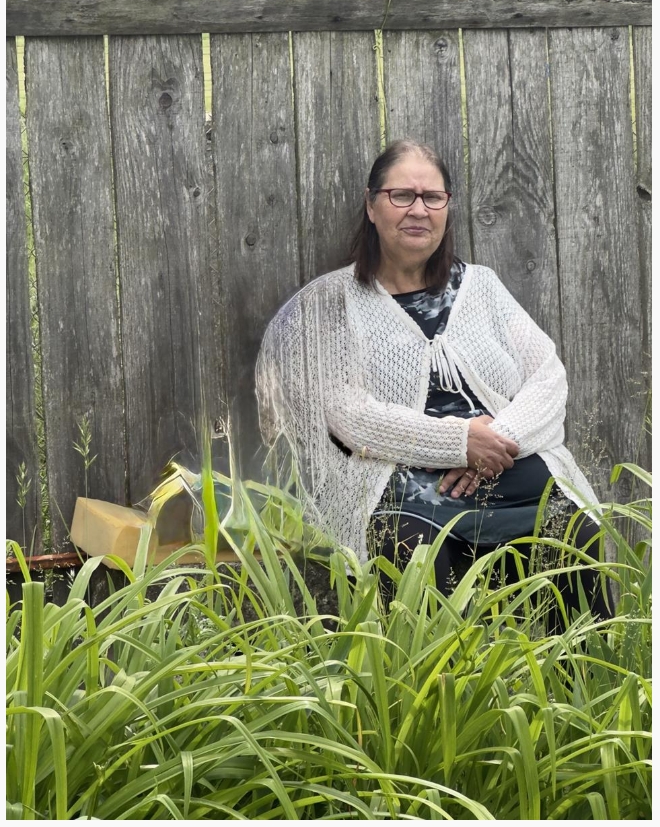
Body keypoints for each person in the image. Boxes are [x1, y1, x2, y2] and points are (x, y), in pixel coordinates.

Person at [256, 139, 610, 627]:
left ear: (447, 207)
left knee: (577, 532)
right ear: (371, 206)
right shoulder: (331, 302)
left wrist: (496, 440)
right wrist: (460, 443)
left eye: (433, 197)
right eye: (402, 195)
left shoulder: (482, 287)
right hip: (404, 491)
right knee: (413, 553)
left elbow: (548, 374)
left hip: (513, 470)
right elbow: (346, 414)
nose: (419, 210)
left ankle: (580, 671)